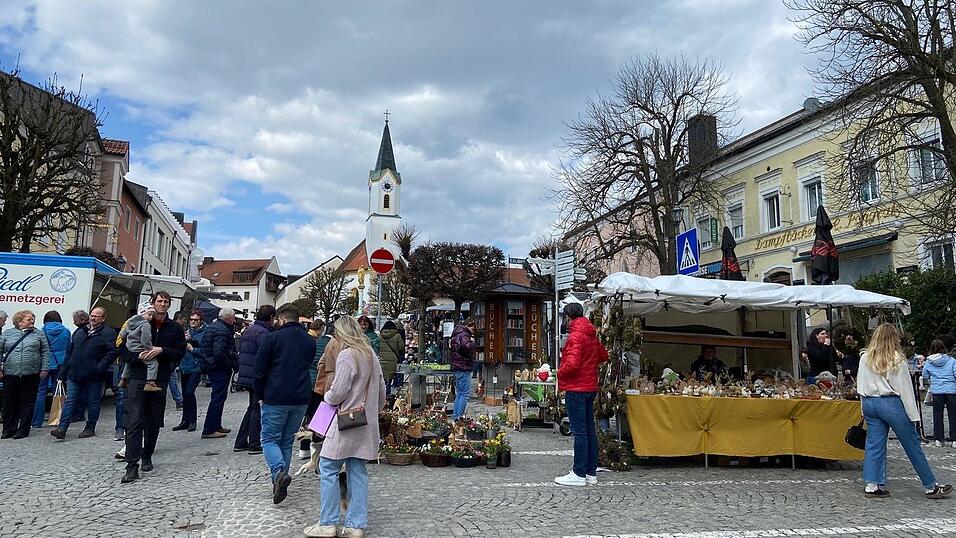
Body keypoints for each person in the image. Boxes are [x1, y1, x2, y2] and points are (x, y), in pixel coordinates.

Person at [303, 316, 386, 538]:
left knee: (328, 467)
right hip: (365, 422)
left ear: (342, 334)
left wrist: (327, 397)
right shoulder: (371, 355)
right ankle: (356, 525)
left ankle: (328, 523)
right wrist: (372, 411)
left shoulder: (347, 355)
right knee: (358, 471)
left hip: (344, 422)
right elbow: (382, 391)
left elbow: (338, 392)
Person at [858, 323, 951, 499]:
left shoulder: (865, 357)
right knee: (912, 443)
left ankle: (872, 484)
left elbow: (860, 384)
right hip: (890, 402)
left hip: (870, 401)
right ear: (894, 338)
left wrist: (864, 407)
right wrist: (913, 416)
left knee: (874, 444)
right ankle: (930, 486)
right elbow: (905, 389)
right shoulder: (896, 358)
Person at [119, 291, 186, 483]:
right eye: (160, 301)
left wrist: (161, 350)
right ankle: (132, 465)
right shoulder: (138, 322)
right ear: (153, 302)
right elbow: (122, 347)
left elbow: (179, 351)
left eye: (166, 301)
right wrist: (136, 357)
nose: (163, 304)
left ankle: (147, 453)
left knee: (154, 420)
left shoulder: (174, 328)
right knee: (134, 420)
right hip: (137, 375)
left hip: (160, 378)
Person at [254, 304, 314, 504]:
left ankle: (279, 472)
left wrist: (259, 394)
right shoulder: (309, 341)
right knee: (287, 440)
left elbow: (260, 369)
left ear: (281, 318)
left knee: (269, 439)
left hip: (276, 395)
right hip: (300, 397)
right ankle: (279, 480)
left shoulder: (271, 338)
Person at [554, 303, 609, 487]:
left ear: (569, 317)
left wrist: (558, 372)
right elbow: (603, 355)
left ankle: (578, 473)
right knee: (589, 430)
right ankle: (590, 472)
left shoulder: (575, 336)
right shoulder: (591, 333)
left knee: (579, 432)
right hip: (590, 388)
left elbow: (572, 364)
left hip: (576, 389)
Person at [50, 307, 117, 439]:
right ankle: (62, 428)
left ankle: (90, 427)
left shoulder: (108, 333)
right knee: (70, 401)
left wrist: (99, 367)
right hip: (74, 373)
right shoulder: (80, 331)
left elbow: (113, 352)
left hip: (93, 375)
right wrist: (63, 373)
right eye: (91, 315)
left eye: (96, 316)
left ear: (103, 318)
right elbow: (70, 352)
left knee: (93, 402)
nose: (92, 318)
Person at [0, 310, 50, 439]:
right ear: (19, 321)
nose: (32, 321)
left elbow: (45, 351)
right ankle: (8, 429)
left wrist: (44, 367)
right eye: (29, 319)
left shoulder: (39, 334)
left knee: (27, 402)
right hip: (10, 373)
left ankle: (23, 430)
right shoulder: (8, 333)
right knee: (9, 402)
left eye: (33, 319)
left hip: (31, 373)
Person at [234, 305, 276, 454]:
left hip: (247, 374)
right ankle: (254, 443)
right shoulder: (264, 333)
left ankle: (240, 441)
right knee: (257, 409)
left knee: (252, 408)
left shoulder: (249, 330)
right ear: (271, 317)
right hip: (256, 376)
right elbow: (264, 357)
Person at [200, 308, 239, 439]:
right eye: (233, 318)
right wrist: (230, 364)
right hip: (219, 368)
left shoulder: (214, 326)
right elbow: (219, 352)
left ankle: (216, 425)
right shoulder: (223, 330)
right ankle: (210, 428)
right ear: (228, 318)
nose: (234, 321)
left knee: (218, 397)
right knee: (218, 397)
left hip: (212, 366)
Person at [32, 310, 70, 428]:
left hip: (44, 364)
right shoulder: (66, 331)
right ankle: (57, 419)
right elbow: (69, 348)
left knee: (40, 392)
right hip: (60, 364)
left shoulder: (41, 332)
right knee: (58, 391)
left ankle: (37, 422)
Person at [173, 310, 207, 432]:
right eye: (191, 319)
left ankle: (193, 420)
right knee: (185, 394)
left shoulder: (206, 332)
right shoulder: (186, 331)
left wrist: (193, 349)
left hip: (196, 367)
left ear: (201, 321)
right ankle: (185, 420)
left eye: (195, 320)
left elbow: (206, 350)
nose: (192, 321)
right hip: (185, 366)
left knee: (189, 392)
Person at [300, 317, 328, 459]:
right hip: (318, 383)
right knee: (317, 416)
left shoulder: (305, 339)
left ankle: (304, 447)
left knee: (307, 416)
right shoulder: (324, 344)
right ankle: (315, 447)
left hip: (306, 382)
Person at [118, 303, 162, 392]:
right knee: (153, 363)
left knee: (129, 364)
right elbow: (145, 339)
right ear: (142, 313)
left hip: (129, 348)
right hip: (139, 348)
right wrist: (149, 348)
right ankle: (150, 383)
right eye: (149, 314)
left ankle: (123, 380)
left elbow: (122, 335)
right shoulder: (145, 325)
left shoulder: (130, 322)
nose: (151, 317)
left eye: (152, 315)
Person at [922, 340, 956, 447]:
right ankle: (954, 439)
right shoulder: (952, 360)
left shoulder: (928, 362)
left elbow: (925, 375)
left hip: (937, 390)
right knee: (953, 415)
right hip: (951, 390)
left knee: (937, 415)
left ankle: (939, 439)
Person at [449, 318, 477, 420]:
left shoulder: (456, 333)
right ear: (468, 326)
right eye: (472, 329)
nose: (473, 331)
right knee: (464, 394)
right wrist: (473, 342)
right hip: (463, 366)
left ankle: (456, 416)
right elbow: (467, 346)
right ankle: (459, 417)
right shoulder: (464, 334)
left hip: (457, 366)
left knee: (459, 394)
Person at [378, 320, 403, 397]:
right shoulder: (397, 336)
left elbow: (378, 347)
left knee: (384, 380)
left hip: (382, 360)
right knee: (390, 378)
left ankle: (383, 397)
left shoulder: (380, 336)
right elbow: (401, 347)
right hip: (393, 360)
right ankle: (388, 396)